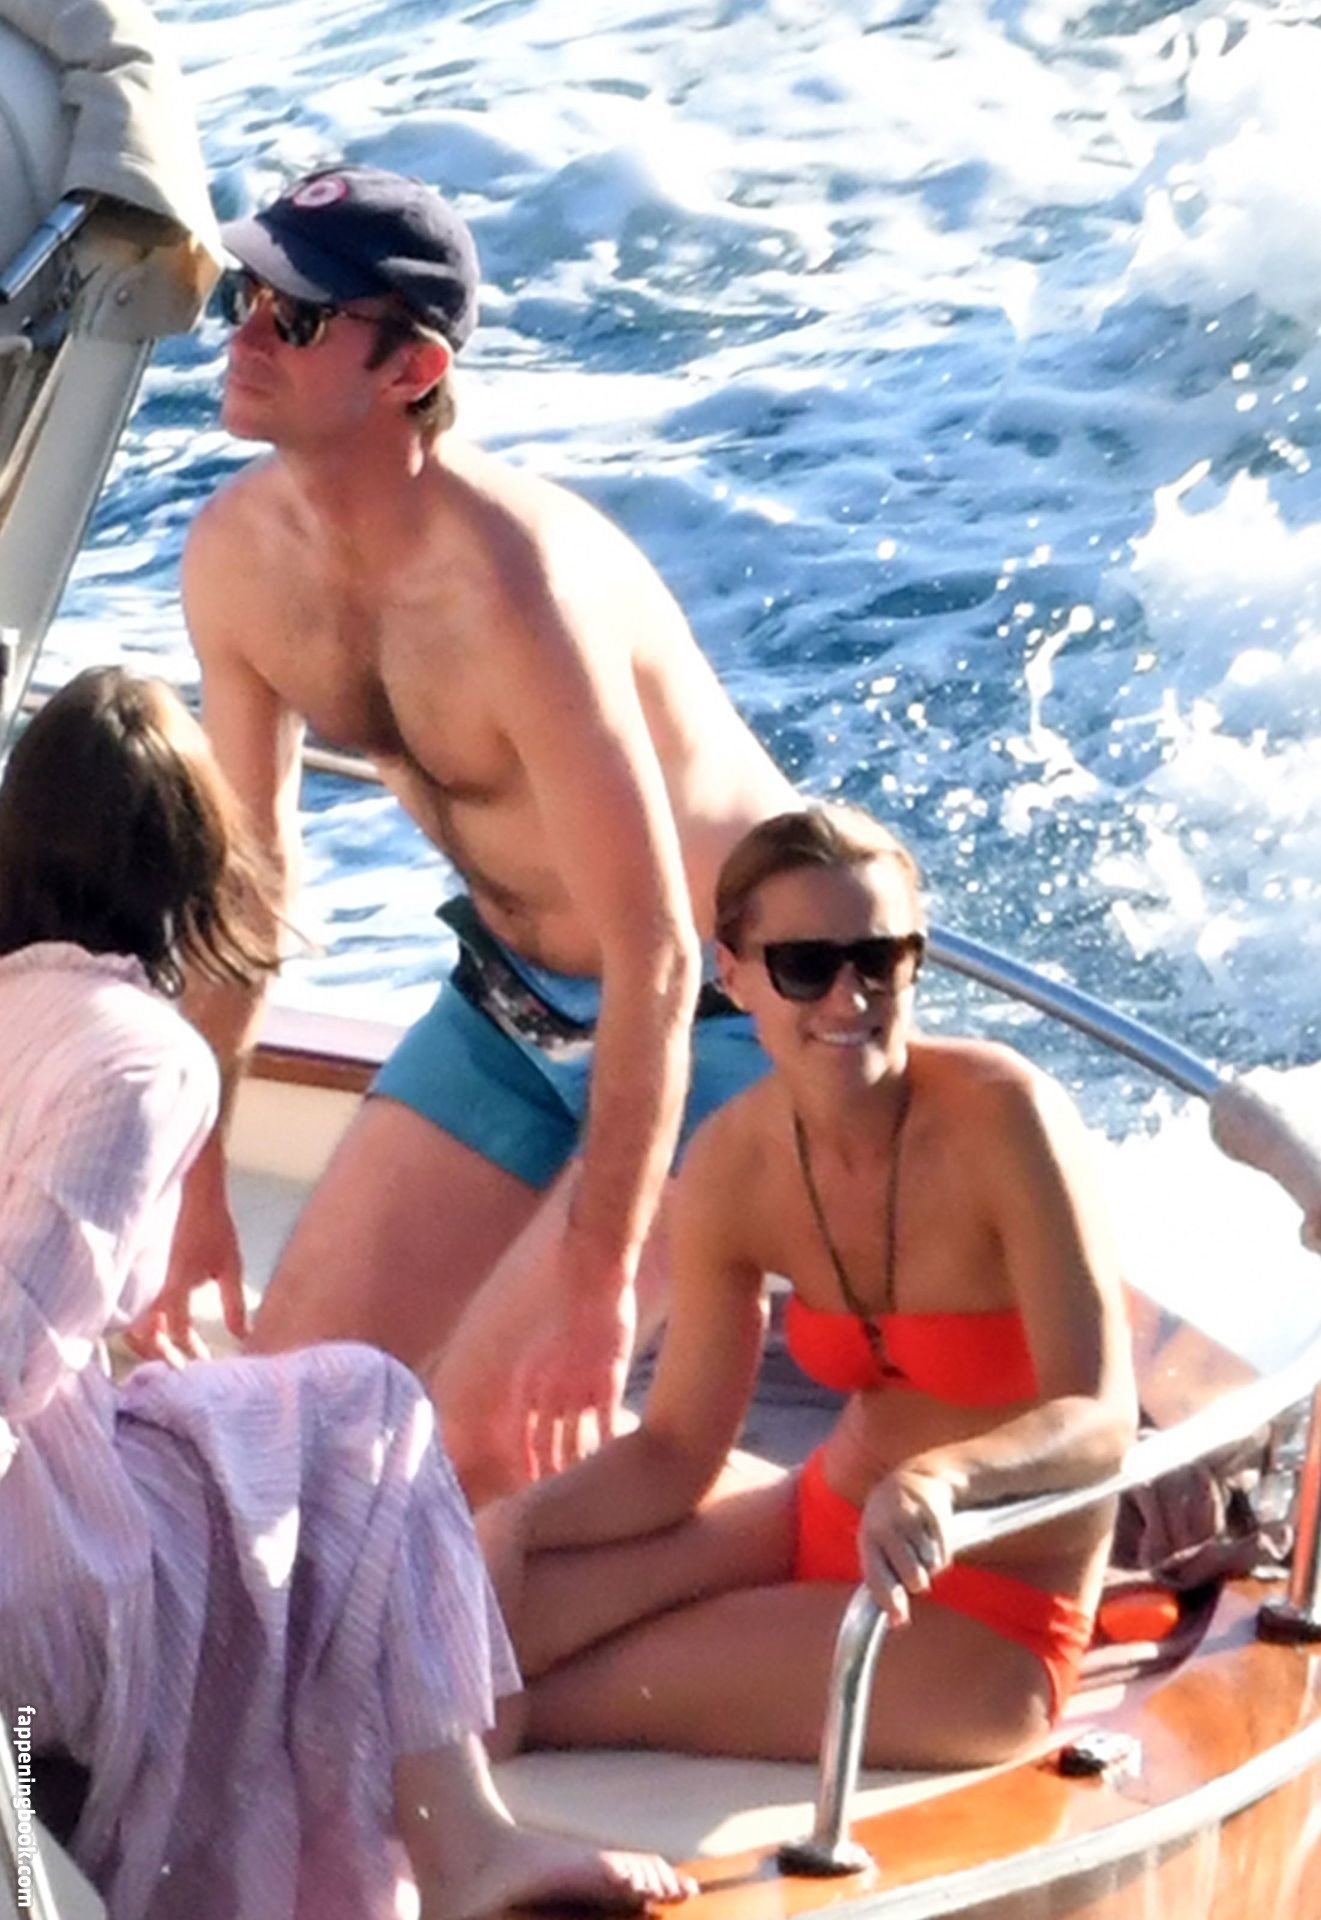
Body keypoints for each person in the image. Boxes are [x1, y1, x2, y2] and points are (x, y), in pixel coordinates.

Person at [0, 668, 692, 1919]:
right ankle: (465, 1847)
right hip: (37, 1563)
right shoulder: (143, 1058)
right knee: (361, 1414)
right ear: (188, 867)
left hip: (42, 1482)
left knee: (245, 1430)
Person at [159, 161, 798, 1488]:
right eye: (242, 296)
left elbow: (658, 953)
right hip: (512, 1009)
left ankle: (791, 1533)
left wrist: (597, 1277)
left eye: (297, 316)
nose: (248, 334)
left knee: (483, 1435)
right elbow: (249, 896)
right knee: (271, 1414)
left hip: (728, 1019)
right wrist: (196, 1180)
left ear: (412, 368)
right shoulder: (235, 559)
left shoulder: (520, 589)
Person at [478, 805, 1138, 1767]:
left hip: (991, 1608)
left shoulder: (1007, 1119)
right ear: (733, 974)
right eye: (804, 966)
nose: (847, 997)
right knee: (467, 1639)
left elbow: (1100, 1418)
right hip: (817, 1516)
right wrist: (520, 1520)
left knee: (526, 1706)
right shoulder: (733, 1162)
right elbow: (676, 1450)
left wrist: (942, 1479)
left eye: (880, 960)